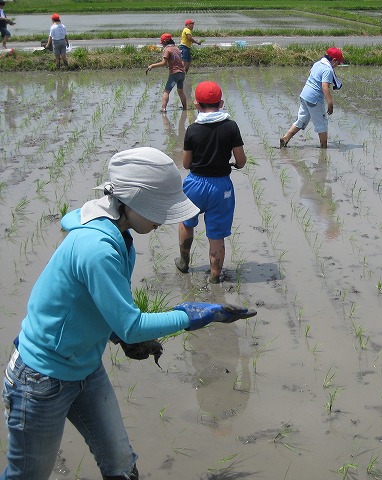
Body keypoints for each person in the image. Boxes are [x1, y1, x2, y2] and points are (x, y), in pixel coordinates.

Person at [0, 146, 257, 480]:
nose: (164, 219)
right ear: (131, 202)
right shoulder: (97, 249)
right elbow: (132, 324)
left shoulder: (120, 235)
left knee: (121, 464)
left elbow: (95, 306)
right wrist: (193, 314)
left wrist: (117, 336)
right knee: (27, 475)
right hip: (41, 378)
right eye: (158, 209)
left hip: (85, 368)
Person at [175, 81, 247, 284]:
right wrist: (235, 165)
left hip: (195, 184)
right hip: (221, 187)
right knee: (216, 235)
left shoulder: (192, 130)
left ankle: (183, 262)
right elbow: (241, 160)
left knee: (186, 222)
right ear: (221, 103)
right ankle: (215, 277)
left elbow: (186, 163)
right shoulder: (231, 127)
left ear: (197, 105)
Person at [279, 47, 344, 149]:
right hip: (314, 99)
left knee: (302, 119)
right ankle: (324, 147)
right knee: (321, 123)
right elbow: (324, 87)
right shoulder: (327, 70)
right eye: (338, 63)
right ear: (334, 60)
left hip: (304, 95)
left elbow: (311, 73)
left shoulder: (318, 63)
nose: (337, 66)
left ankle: (285, 138)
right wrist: (330, 103)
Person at [146, 33, 187, 113]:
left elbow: (164, 63)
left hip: (174, 74)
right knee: (181, 91)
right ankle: (185, 107)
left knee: (166, 91)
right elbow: (180, 61)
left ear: (164, 42)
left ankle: (163, 108)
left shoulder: (167, 50)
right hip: (182, 73)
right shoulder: (176, 48)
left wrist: (152, 66)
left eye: (162, 43)